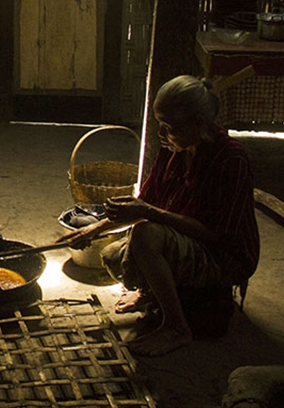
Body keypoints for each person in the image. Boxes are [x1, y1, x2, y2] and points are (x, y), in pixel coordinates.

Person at [60, 75, 260, 356]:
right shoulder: (174, 149)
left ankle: (177, 327)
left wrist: (147, 212)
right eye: (160, 125)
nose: (162, 135)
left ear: (200, 124)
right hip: (185, 240)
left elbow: (216, 233)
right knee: (113, 256)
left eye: (170, 127)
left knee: (144, 232)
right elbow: (147, 202)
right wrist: (92, 231)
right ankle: (151, 293)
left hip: (222, 254)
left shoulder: (231, 160)